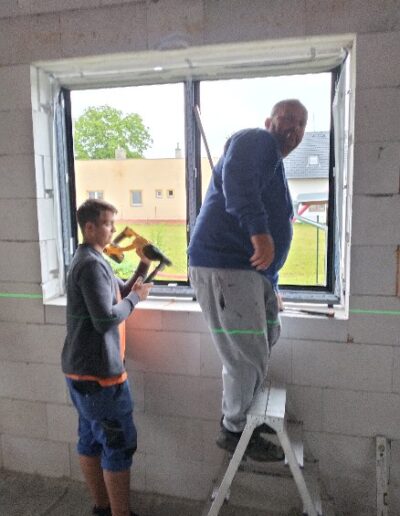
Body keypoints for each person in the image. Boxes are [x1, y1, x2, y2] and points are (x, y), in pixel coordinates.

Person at [188, 99, 308, 462]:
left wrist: (271, 284)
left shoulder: (272, 163)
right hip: (226, 266)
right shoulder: (257, 140)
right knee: (246, 355)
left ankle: (245, 418)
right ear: (269, 121)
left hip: (248, 273)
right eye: (287, 119)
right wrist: (259, 233)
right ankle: (234, 428)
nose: (293, 128)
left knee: (267, 336)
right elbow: (238, 180)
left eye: (301, 124)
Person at [61, 199, 152, 516]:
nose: (114, 230)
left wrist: (142, 267)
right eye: (108, 224)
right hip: (99, 378)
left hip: (82, 373)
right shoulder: (90, 265)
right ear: (90, 228)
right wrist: (136, 299)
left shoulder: (90, 259)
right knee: (118, 444)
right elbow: (105, 319)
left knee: (90, 439)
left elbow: (116, 296)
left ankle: (102, 508)